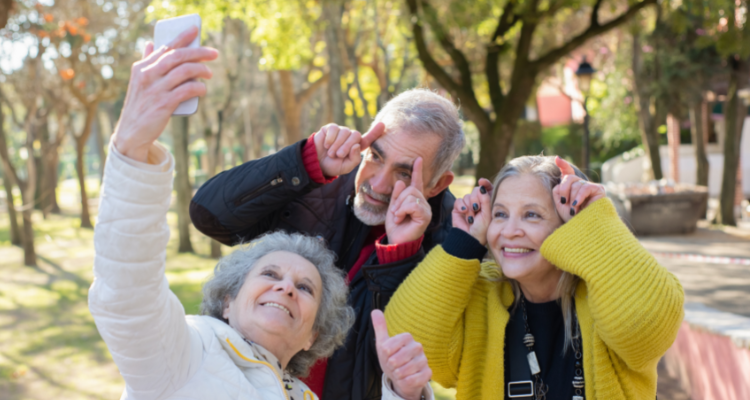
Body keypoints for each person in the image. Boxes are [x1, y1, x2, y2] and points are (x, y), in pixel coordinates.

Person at [89, 26, 435, 400]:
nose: (286, 287)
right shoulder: (184, 355)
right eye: (270, 273)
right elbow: (126, 295)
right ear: (228, 301)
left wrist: (405, 393)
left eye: (305, 288)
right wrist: (131, 146)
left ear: (312, 336)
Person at [190, 67, 464, 399]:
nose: (378, 184)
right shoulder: (319, 179)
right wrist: (303, 162)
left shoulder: (453, 244)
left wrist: (399, 253)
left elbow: (393, 357)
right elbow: (209, 216)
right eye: (376, 156)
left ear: (438, 184)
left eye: (404, 173)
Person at [384, 155, 685, 400]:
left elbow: (646, 328)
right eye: (500, 214)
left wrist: (595, 222)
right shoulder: (481, 293)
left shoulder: (607, 294)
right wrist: (463, 243)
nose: (510, 231)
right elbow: (409, 340)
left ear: (569, 224)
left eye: (532, 215)